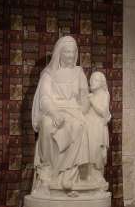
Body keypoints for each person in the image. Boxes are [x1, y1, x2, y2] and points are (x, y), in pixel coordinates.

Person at [31, 35, 90, 196]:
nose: (70, 56)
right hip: (53, 111)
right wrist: (55, 113)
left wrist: (79, 112)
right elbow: (44, 99)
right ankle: (47, 175)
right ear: (59, 53)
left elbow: (85, 99)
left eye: (73, 52)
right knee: (47, 125)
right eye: (67, 52)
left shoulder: (79, 73)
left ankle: (68, 177)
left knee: (79, 126)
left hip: (74, 111)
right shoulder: (49, 74)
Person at [85, 71, 110, 189]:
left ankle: (98, 176)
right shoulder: (90, 95)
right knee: (88, 151)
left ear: (101, 83)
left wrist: (92, 101)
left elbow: (103, 111)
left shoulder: (104, 94)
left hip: (98, 127)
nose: (91, 82)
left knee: (97, 152)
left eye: (94, 80)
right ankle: (89, 176)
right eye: (90, 80)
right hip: (89, 128)